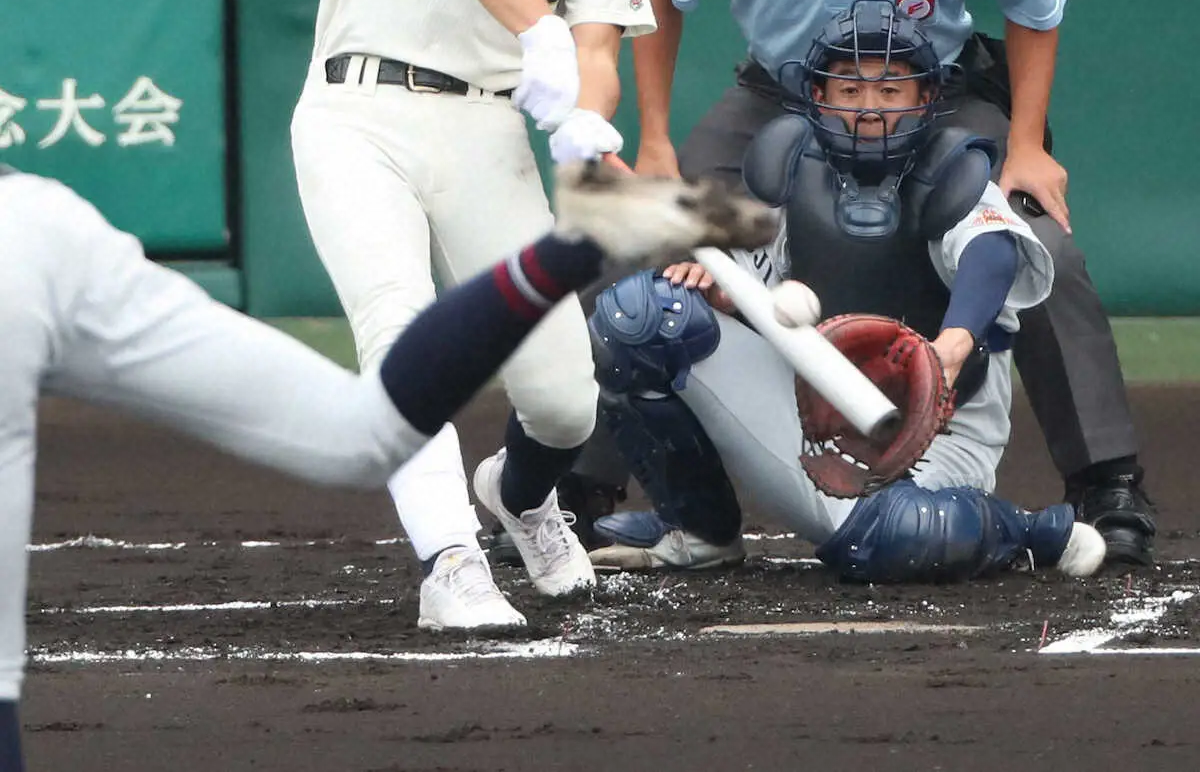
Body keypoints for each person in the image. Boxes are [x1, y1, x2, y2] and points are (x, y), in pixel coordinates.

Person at [0, 158, 779, 772]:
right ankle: (577, 247)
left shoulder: (43, 243)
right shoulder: (43, 234)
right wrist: (573, 250)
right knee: (365, 422)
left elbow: (366, 435)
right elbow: (360, 434)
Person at [628, 0, 1157, 566]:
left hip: (933, 97)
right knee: (657, 246)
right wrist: (652, 137)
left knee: (1044, 249)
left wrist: (1027, 144)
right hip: (780, 96)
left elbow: (1036, 7)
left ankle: (1106, 479)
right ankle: (620, 490)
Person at [288, 0, 706, 634]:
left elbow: (596, 51)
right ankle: (450, 564)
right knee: (399, 334)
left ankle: (519, 498)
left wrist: (587, 121)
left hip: (485, 134)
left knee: (564, 403)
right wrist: (538, 36)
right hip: (358, 112)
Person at [585, 3, 1107, 581]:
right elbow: (755, 283)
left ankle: (1030, 531)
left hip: (938, 432)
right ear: (817, 96)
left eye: (890, 91)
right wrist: (726, 293)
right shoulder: (788, 164)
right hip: (814, 410)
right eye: (850, 90)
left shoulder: (953, 169)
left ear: (926, 98)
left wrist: (954, 343)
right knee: (642, 315)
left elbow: (991, 252)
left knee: (896, 535)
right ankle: (699, 529)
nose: (869, 109)